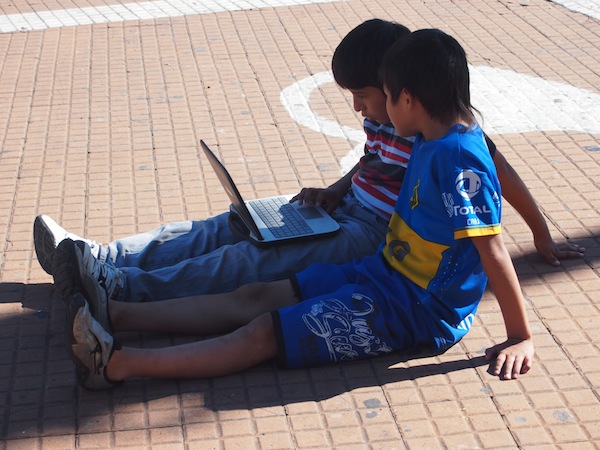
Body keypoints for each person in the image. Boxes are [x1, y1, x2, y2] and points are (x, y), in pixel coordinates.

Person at [55, 28, 534, 390]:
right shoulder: (431, 137)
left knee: (262, 332)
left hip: (415, 310)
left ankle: (115, 365)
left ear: (407, 97)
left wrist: (519, 336)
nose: (375, 108)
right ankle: (114, 310)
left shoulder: (457, 157)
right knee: (256, 294)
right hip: (383, 274)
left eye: (383, 96)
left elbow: (490, 248)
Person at [37, 19, 583, 303]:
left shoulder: (436, 131)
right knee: (228, 226)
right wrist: (336, 188)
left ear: (401, 93)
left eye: (367, 98)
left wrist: (539, 232)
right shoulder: (387, 119)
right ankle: (96, 256)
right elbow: (372, 161)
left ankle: (115, 286)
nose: (360, 109)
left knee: (251, 262)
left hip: (371, 236)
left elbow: (499, 172)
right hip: (340, 210)